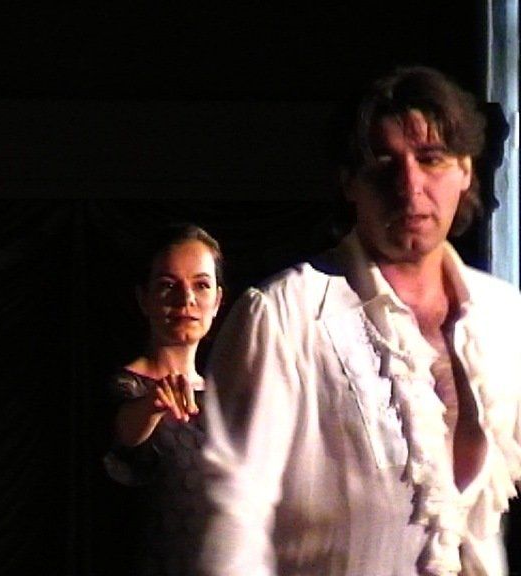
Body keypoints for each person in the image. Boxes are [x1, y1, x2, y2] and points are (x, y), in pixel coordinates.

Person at [201, 66, 521, 576]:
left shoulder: (503, 315)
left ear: (465, 170)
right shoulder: (285, 316)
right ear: (349, 182)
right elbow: (230, 523)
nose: (409, 185)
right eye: (383, 163)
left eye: (431, 159)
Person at [103, 223, 224, 576]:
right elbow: (124, 436)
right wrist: (152, 406)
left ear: (218, 300)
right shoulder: (126, 388)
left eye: (201, 285)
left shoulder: (226, 395)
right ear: (144, 299)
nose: (186, 299)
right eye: (168, 285)